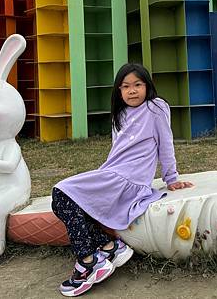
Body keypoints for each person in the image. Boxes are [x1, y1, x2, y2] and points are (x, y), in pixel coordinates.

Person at [51, 63, 193, 297]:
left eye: (138, 84)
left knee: (62, 192)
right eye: (125, 86)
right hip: (114, 173)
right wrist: (100, 176)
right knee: (62, 199)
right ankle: (109, 246)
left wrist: (171, 178)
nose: (132, 90)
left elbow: (166, 144)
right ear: (119, 91)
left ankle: (88, 262)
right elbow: (117, 151)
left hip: (131, 180)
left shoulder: (156, 108)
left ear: (148, 86)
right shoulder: (120, 113)